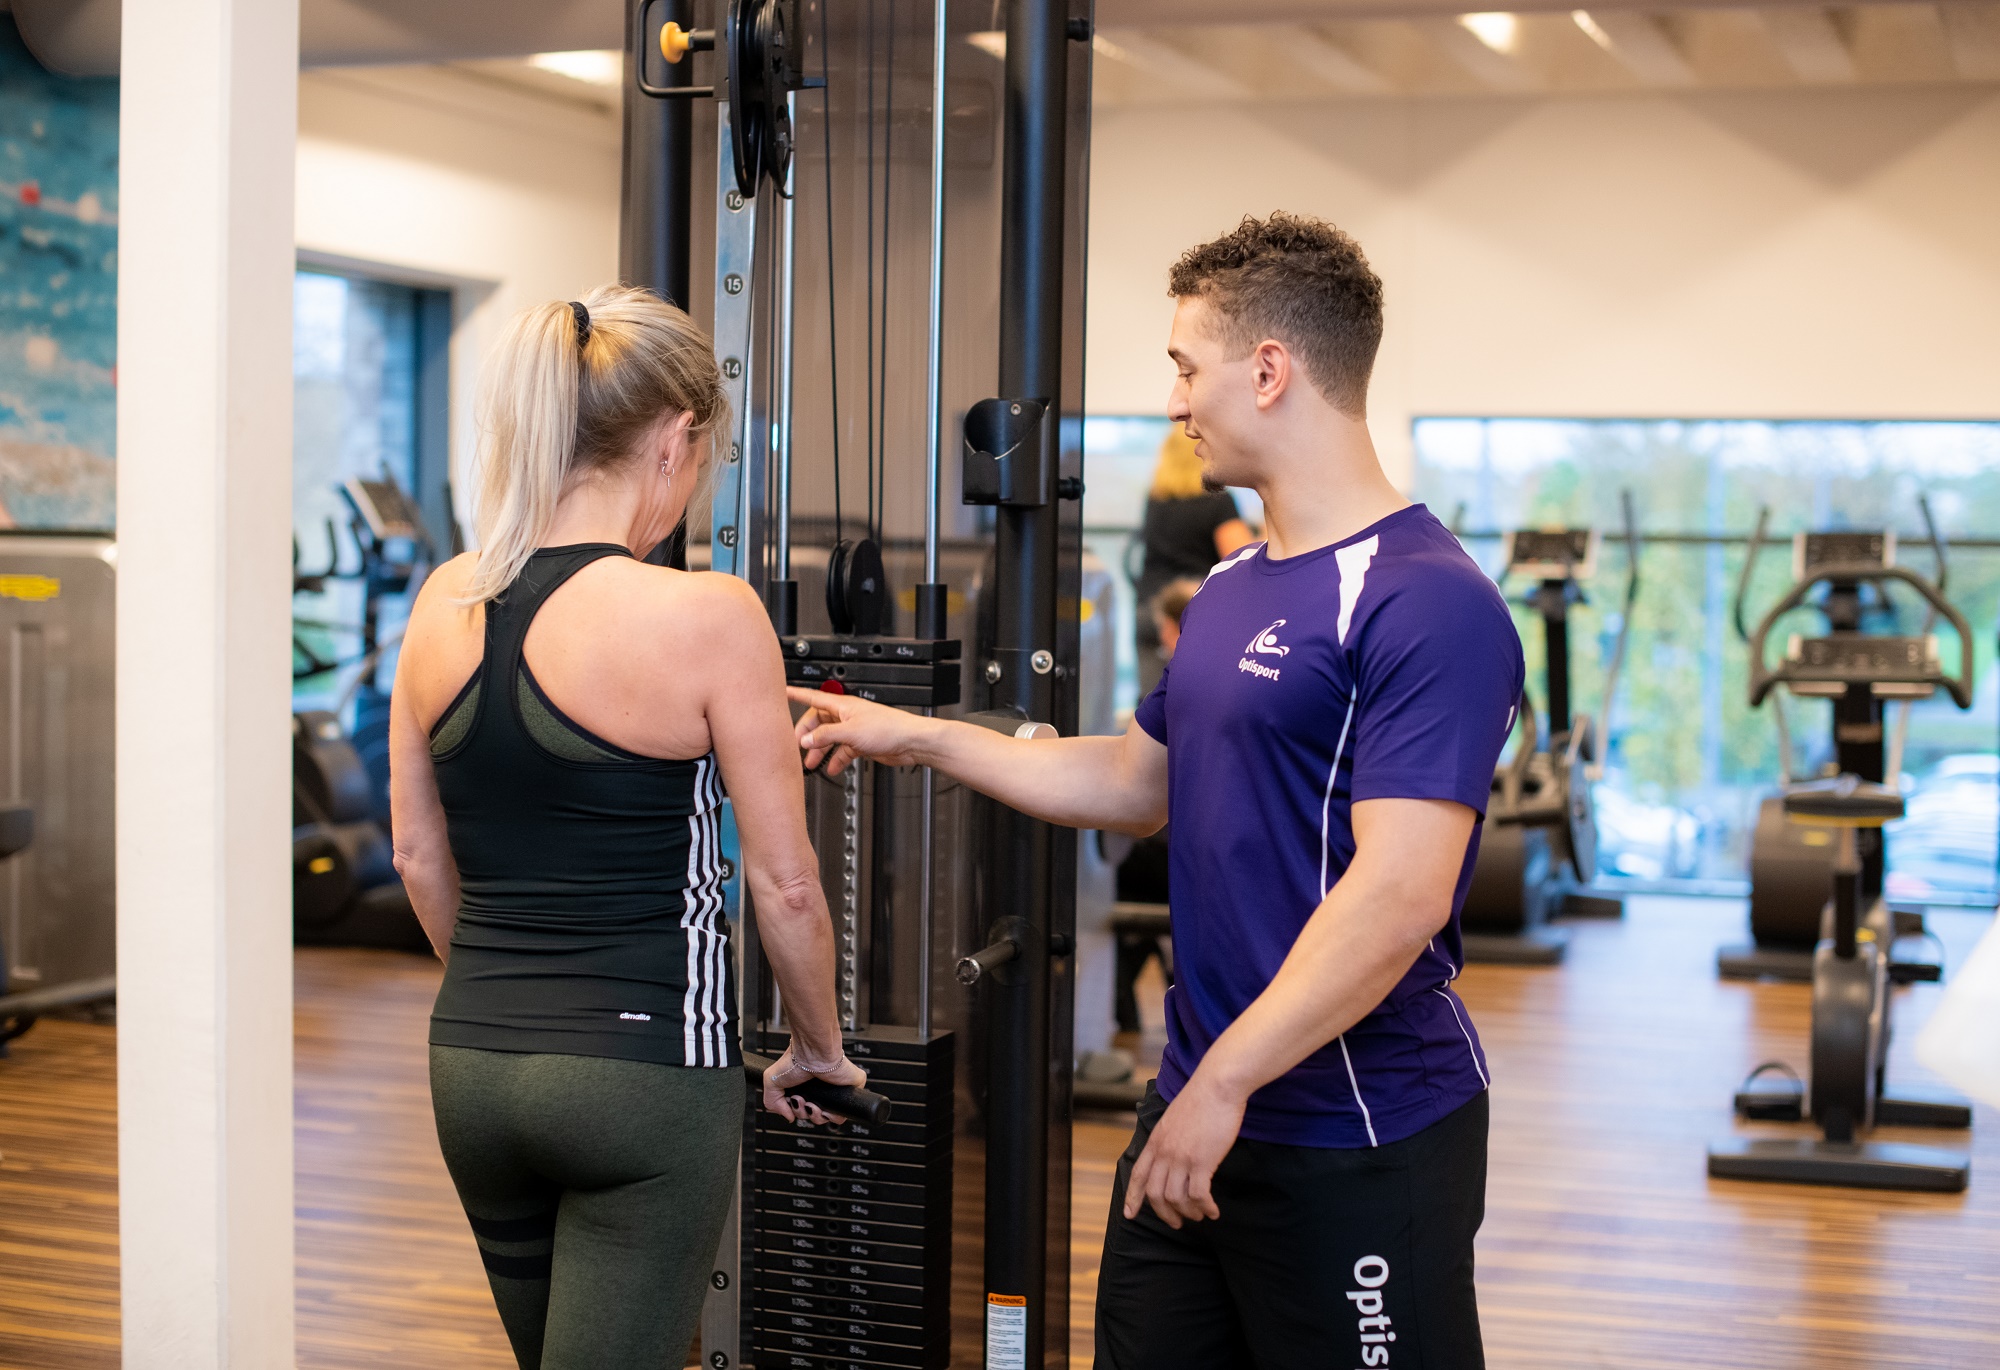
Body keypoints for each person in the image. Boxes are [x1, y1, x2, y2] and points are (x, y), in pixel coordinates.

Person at [789, 213, 1523, 1368]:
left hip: (1354, 1126)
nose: (1174, 402)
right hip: (1197, 1106)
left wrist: (1222, 1081)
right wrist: (915, 736)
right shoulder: (1231, 585)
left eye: (1186, 367)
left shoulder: (1426, 601)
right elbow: (1135, 782)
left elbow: (1398, 896)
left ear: (1268, 370)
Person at [388, 286, 863, 1370]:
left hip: (472, 1066)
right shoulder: (707, 613)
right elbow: (783, 883)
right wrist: (818, 1051)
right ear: (674, 439)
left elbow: (419, 854)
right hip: (642, 1075)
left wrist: (513, 998)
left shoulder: (444, 600)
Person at [1133, 429, 1255, 695]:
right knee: (1191, 703)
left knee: (1152, 709)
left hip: (1148, 611)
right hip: (1187, 616)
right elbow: (1244, 559)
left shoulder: (1156, 500)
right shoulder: (1217, 503)